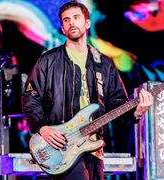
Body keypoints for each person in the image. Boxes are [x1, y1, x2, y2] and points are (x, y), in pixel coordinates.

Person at [21, 1, 153, 179]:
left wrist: (137, 112)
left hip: (94, 149)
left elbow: (117, 104)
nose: (71, 23)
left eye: (76, 18)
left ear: (87, 23)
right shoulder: (49, 61)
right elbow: (31, 97)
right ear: (62, 28)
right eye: (66, 20)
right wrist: (42, 127)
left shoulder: (104, 63)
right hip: (62, 145)